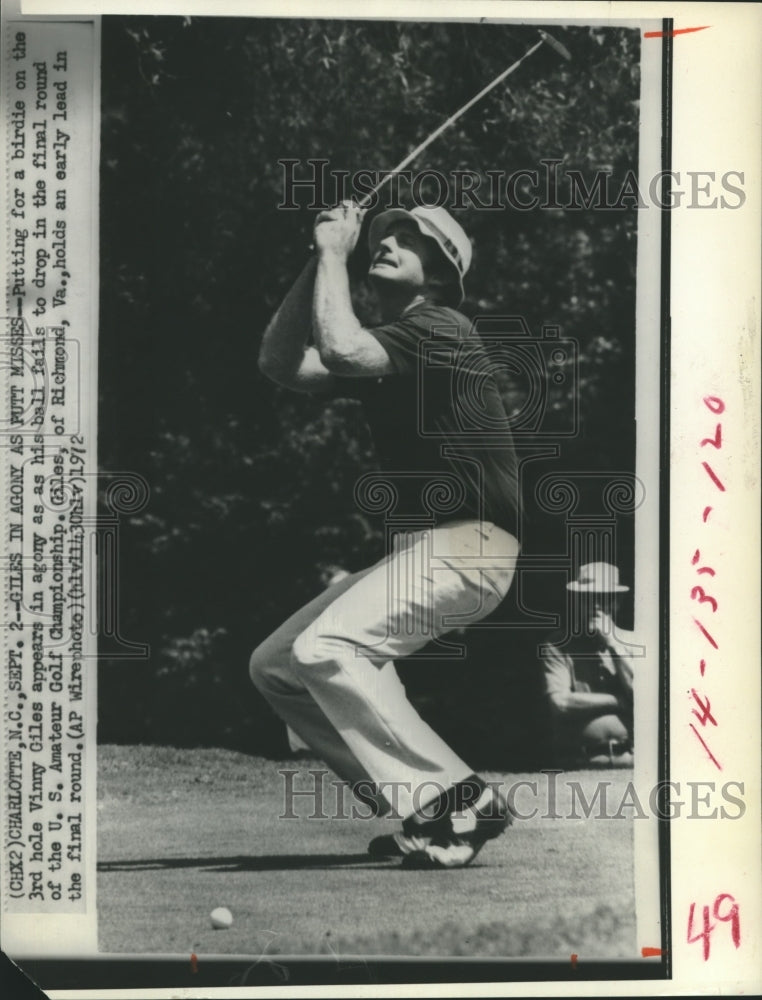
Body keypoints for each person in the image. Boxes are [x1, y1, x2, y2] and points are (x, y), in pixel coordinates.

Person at [250, 200, 522, 869]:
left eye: (411, 239)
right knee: (279, 667)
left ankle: (458, 798)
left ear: (439, 273)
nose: (391, 242)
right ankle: (425, 810)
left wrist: (337, 257)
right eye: (386, 235)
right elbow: (281, 363)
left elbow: (338, 347)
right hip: (431, 554)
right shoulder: (395, 349)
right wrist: (322, 259)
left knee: (326, 648)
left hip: (472, 548)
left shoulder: (441, 327)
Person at [541, 562, 636, 767]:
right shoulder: (558, 644)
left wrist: (613, 644)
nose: (595, 605)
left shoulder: (635, 641)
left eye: (603, 598)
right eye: (588, 598)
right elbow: (560, 703)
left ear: (617, 602)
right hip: (580, 761)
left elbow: (644, 699)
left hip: (632, 760)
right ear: (577, 602)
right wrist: (617, 701)